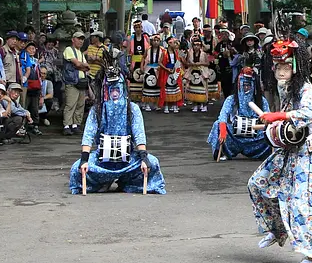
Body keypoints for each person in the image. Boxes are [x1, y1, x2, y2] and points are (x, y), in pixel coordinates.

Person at [249, 39, 312, 263]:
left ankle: (311, 254)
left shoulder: (306, 88)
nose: (280, 71)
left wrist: (279, 117)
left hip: (308, 151)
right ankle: (277, 229)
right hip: (289, 149)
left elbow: (309, 112)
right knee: (257, 183)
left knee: (301, 202)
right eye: (277, 67)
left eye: (285, 67)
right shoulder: (286, 88)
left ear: (295, 66)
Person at [69, 51, 167, 194]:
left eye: (117, 88)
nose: (114, 93)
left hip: (128, 158)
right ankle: (103, 180)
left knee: (153, 164)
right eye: (110, 89)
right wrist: (84, 159)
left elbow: (139, 134)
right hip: (103, 159)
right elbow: (89, 134)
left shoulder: (132, 109)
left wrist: (144, 157)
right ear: (105, 89)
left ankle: (126, 182)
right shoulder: (98, 109)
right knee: (76, 169)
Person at [208, 59, 271, 160]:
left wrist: (266, 122)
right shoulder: (231, 99)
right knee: (217, 125)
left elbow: (268, 117)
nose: (246, 88)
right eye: (244, 85)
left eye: (249, 85)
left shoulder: (261, 100)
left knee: (271, 130)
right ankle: (223, 152)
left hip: (255, 134)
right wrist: (223, 128)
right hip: (235, 133)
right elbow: (223, 114)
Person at [184, 36, 212, 113]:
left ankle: (204, 105)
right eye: (195, 45)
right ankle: (195, 104)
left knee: (203, 89)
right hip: (193, 72)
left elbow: (207, 63)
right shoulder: (190, 53)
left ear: (200, 46)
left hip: (201, 72)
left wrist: (201, 63)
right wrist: (191, 63)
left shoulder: (204, 54)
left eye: (198, 45)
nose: (196, 47)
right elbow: (187, 63)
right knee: (193, 89)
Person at [160, 38, 185, 113]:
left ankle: (175, 104)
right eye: (175, 43)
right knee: (166, 89)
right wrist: (166, 69)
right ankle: (166, 106)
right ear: (170, 44)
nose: (176, 45)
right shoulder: (164, 52)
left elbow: (184, 59)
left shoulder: (177, 52)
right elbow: (160, 62)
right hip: (167, 71)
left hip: (175, 71)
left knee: (176, 88)